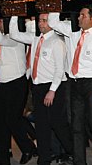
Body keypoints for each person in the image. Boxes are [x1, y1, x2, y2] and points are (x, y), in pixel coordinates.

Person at [49, 4, 92, 165]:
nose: (79, 18)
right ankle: (79, 161)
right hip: (74, 83)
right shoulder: (74, 34)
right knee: (75, 125)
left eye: (83, 15)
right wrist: (58, 3)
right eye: (79, 15)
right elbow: (53, 22)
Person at [10, 12, 74, 165]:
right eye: (40, 20)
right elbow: (14, 34)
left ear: (51, 22)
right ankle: (44, 158)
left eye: (45, 21)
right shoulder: (36, 39)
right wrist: (13, 15)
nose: (41, 23)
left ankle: (74, 152)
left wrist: (52, 91)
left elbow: (59, 69)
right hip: (38, 87)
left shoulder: (57, 42)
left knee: (58, 124)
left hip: (54, 86)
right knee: (41, 125)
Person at [0, 5, 36, 165]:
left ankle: (29, 148)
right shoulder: (1, 39)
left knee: (12, 119)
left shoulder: (14, 39)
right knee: (0, 122)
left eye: (0, 21)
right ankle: (3, 157)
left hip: (16, 83)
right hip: (0, 84)